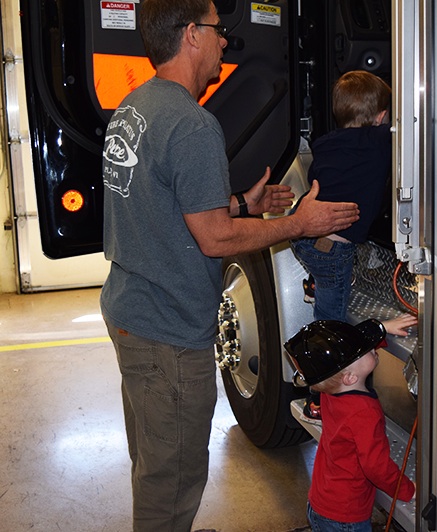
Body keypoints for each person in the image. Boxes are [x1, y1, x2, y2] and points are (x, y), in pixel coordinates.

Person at [100, 1, 359, 530]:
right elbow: (215, 240)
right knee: (171, 480)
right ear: (191, 34)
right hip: (168, 332)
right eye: (219, 31)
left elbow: (167, 206)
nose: (226, 42)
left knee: (155, 462)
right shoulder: (193, 125)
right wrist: (298, 224)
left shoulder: (135, 107)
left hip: (133, 311)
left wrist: (243, 204)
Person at [284, 319, 416, 532]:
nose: (372, 347)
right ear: (350, 377)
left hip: (321, 502)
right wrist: (407, 489)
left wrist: (382, 328)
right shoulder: (364, 412)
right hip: (346, 519)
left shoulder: (330, 391)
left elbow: (354, 358)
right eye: (366, 350)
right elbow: (376, 467)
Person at [291, 70, 392, 322]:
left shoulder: (325, 142)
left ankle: (316, 284)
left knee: (323, 274)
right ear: (381, 117)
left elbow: (316, 176)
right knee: (332, 318)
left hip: (300, 230)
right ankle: (331, 358)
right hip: (332, 249)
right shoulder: (378, 140)